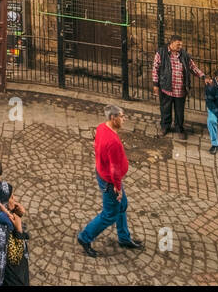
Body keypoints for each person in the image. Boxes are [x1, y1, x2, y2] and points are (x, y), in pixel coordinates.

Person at [75, 105, 142, 257]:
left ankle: (124, 237)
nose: (124, 119)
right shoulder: (114, 142)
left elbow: (96, 145)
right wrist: (118, 188)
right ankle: (84, 237)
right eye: (121, 116)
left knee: (122, 205)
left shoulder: (101, 128)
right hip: (110, 182)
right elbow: (114, 170)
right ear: (113, 118)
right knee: (109, 214)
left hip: (103, 174)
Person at [150, 35, 207, 139]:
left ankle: (179, 128)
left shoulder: (184, 54)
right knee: (165, 109)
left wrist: (203, 76)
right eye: (177, 45)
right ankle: (165, 127)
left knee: (179, 111)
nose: (179, 47)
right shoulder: (161, 52)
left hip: (180, 89)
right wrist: (155, 84)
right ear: (171, 44)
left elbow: (192, 67)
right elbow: (155, 68)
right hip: (166, 87)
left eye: (181, 45)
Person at [0, 180, 31, 286]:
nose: (15, 199)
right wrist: (19, 228)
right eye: (12, 197)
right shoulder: (3, 229)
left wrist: (16, 214)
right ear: (5, 204)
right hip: (8, 277)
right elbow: (15, 257)